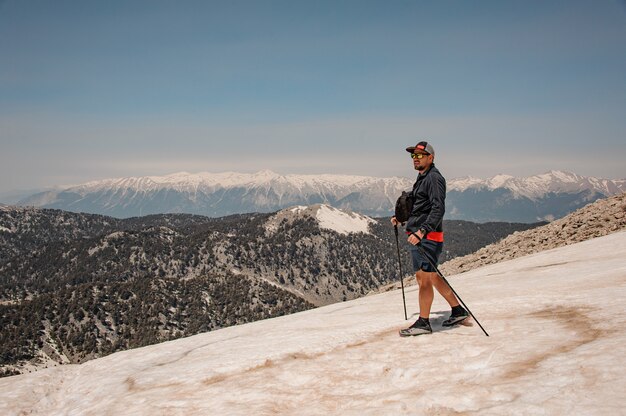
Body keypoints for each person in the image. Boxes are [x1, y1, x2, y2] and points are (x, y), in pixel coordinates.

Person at [391, 141, 469, 336]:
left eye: (420, 155)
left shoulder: (434, 178)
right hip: (419, 235)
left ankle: (424, 323)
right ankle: (458, 310)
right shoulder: (422, 177)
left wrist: (422, 231)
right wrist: (402, 218)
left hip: (428, 236)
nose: (415, 159)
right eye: (413, 156)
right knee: (428, 276)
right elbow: (420, 206)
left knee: (425, 279)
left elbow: (438, 208)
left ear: (430, 158)